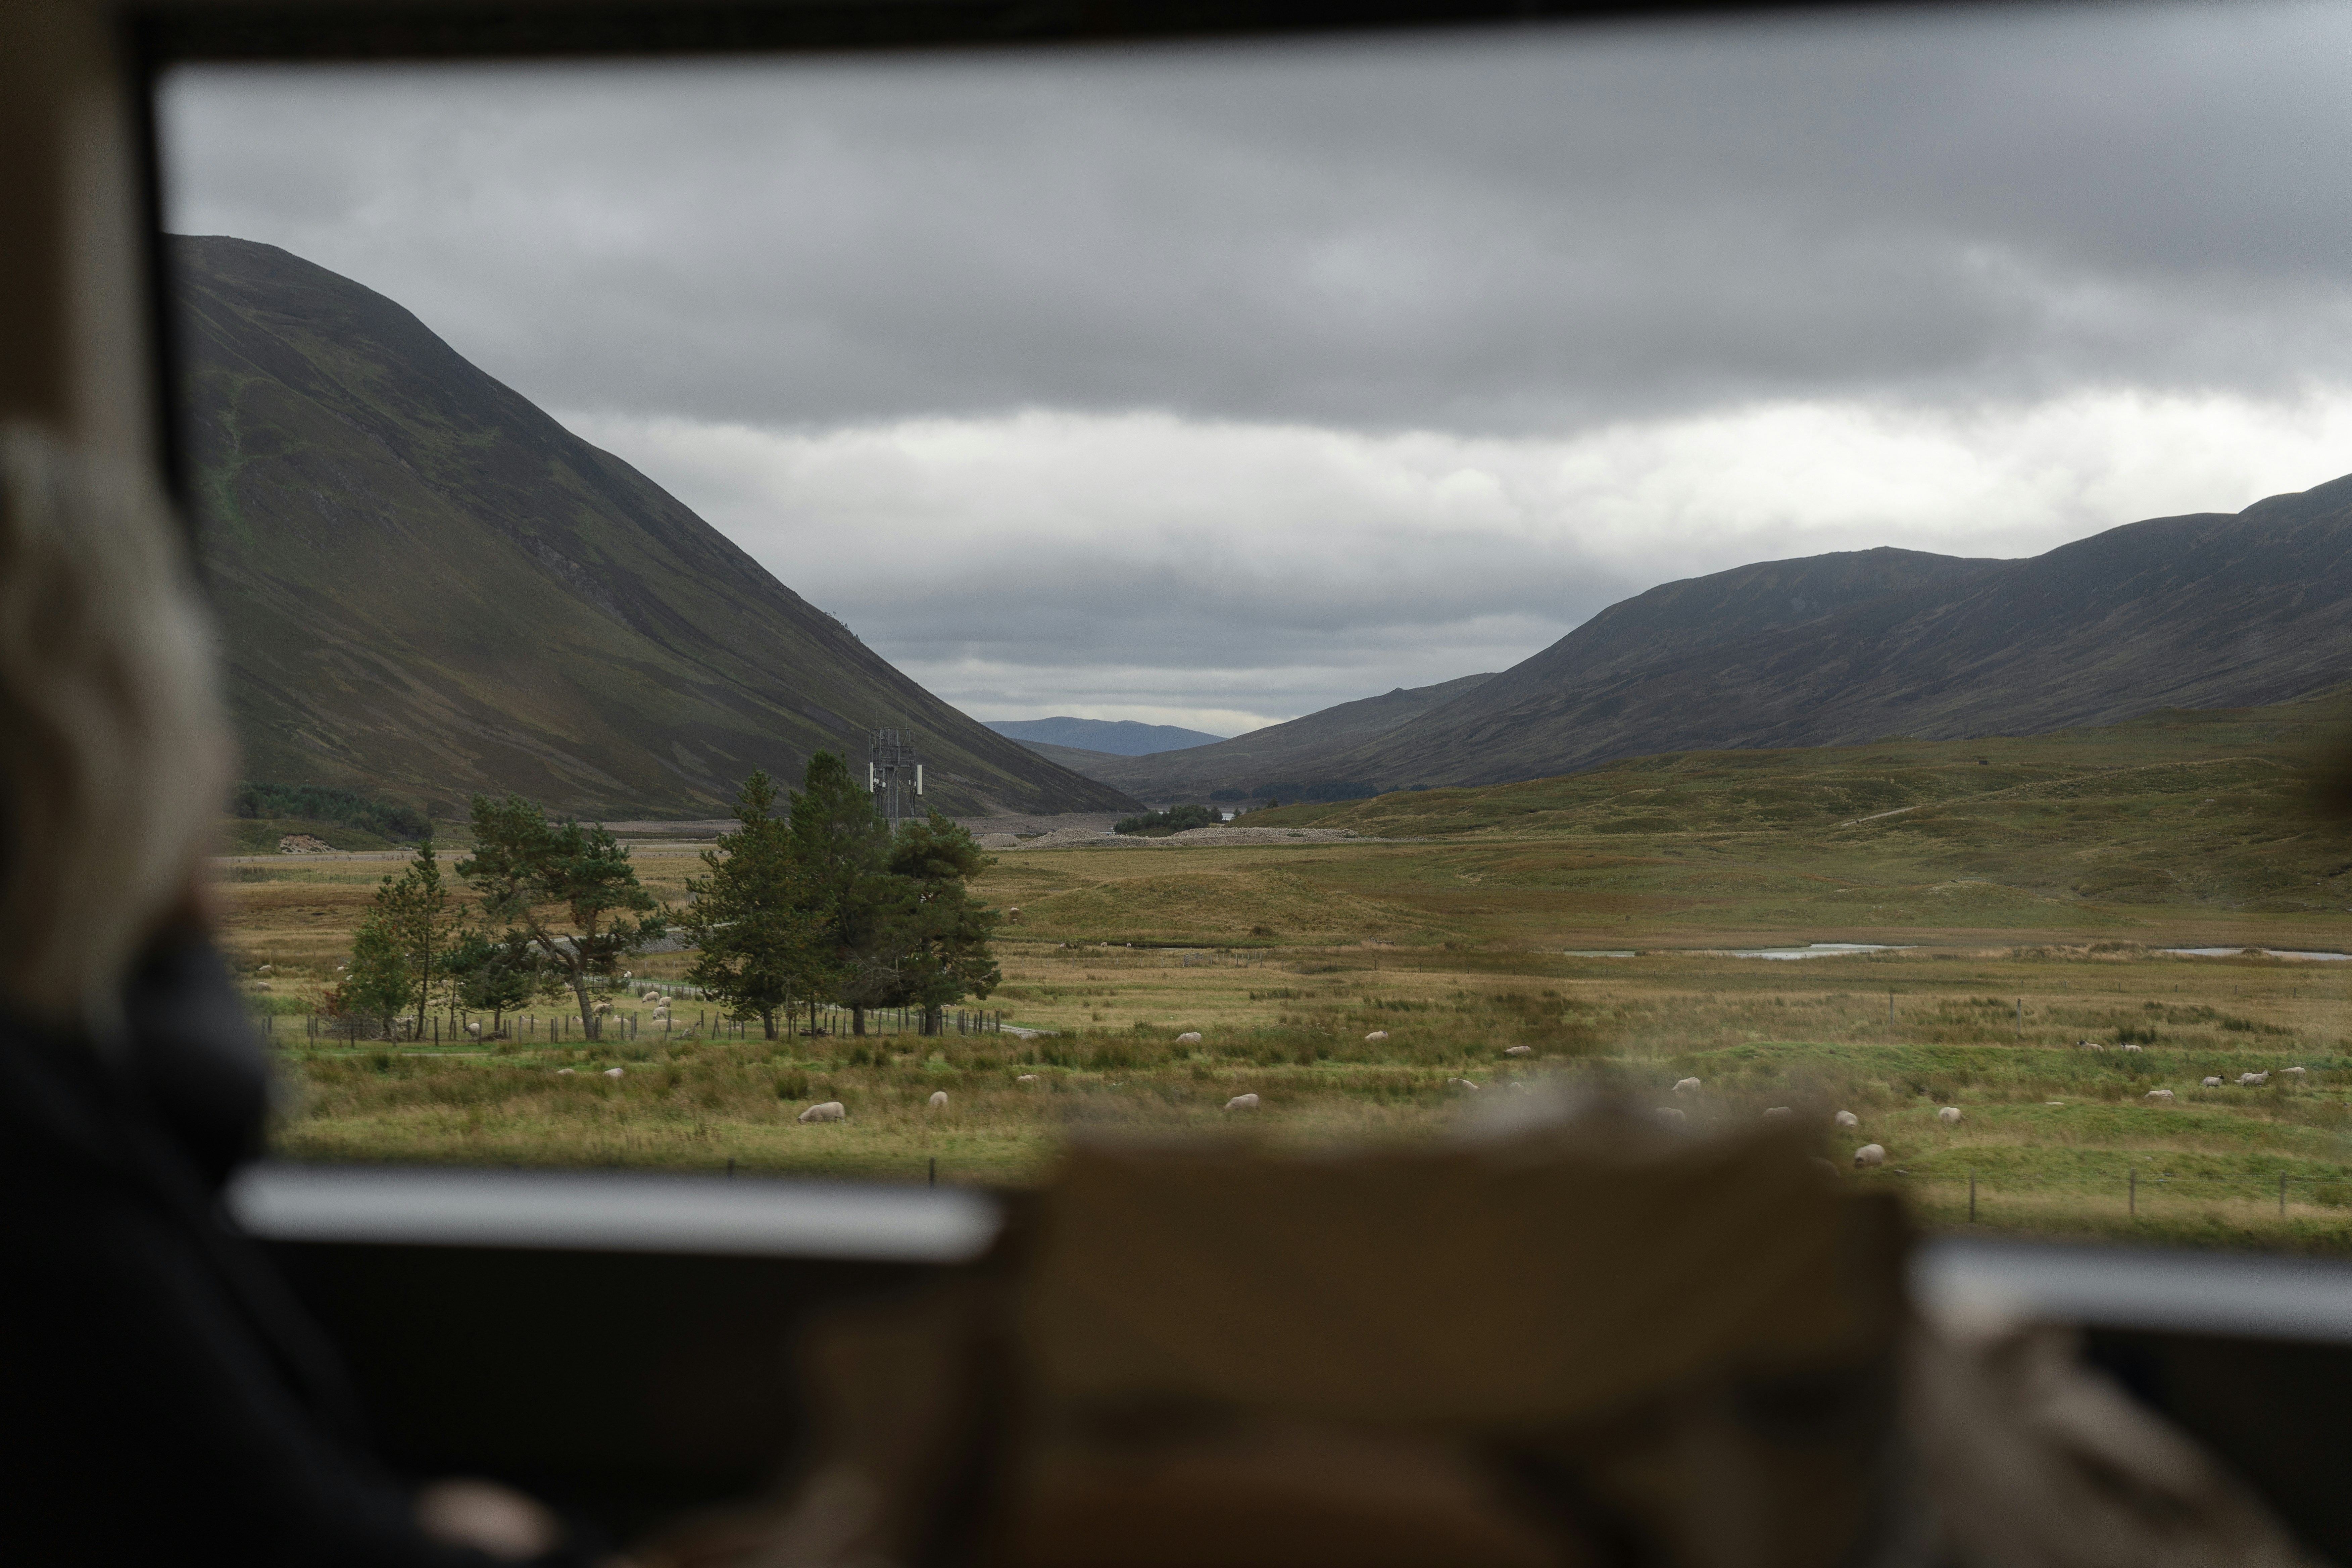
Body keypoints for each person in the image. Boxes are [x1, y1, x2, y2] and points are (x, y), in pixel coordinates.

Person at [0, 425, 620, 1566]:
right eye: (177, 707)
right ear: (83, 755)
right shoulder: (36, 1165)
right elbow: (277, 1537)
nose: (219, 760)